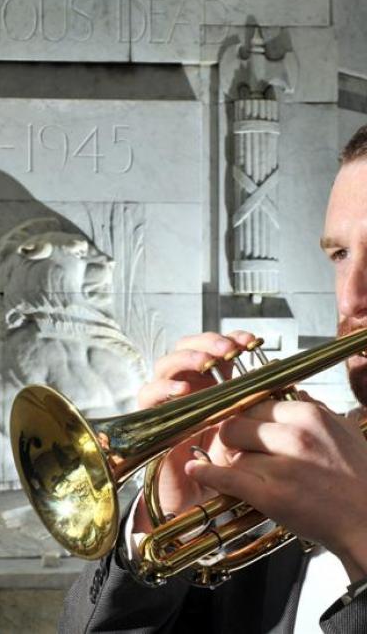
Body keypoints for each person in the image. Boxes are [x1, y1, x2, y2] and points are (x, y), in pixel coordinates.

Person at [58, 125, 367, 633]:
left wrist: (362, 533)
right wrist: (166, 532)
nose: (353, 296)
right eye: (340, 255)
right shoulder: (301, 473)